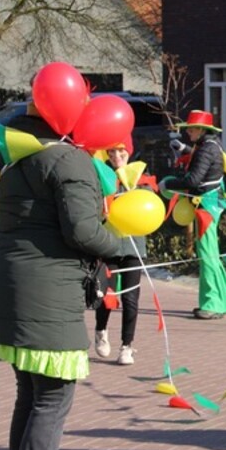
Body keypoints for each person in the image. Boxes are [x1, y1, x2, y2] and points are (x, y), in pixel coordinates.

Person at [0, 102, 120, 450]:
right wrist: (122, 246)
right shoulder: (68, 158)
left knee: (31, 398)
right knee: (52, 400)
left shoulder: (13, 158)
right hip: (45, 292)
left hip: (11, 285)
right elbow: (82, 230)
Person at [167, 110, 226, 320]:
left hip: (206, 205)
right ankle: (219, 301)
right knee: (210, 252)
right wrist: (184, 149)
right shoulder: (209, 145)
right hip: (210, 203)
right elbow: (201, 159)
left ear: (201, 130)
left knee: (207, 254)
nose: (188, 132)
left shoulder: (206, 148)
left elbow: (192, 180)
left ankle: (212, 303)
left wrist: (167, 184)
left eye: (191, 129)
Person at [93, 138, 147, 366]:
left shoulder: (139, 176)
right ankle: (101, 330)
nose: (116, 156)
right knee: (107, 294)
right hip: (109, 244)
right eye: (112, 151)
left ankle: (126, 346)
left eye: (121, 151)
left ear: (129, 152)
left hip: (134, 245)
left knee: (130, 298)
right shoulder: (101, 175)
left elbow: (148, 205)